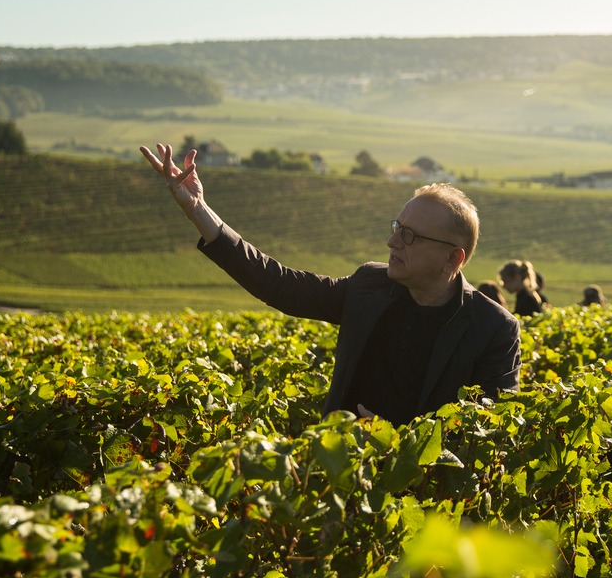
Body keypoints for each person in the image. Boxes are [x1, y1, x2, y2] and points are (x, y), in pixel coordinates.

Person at [140, 142, 521, 424]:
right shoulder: (369, 285)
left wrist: (397, 440)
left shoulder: (494, 329)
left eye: (409, 236)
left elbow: (488, 431)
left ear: (452, 259)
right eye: (395, 228)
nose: (392, 242)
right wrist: (198, 211)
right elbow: (278, 283)